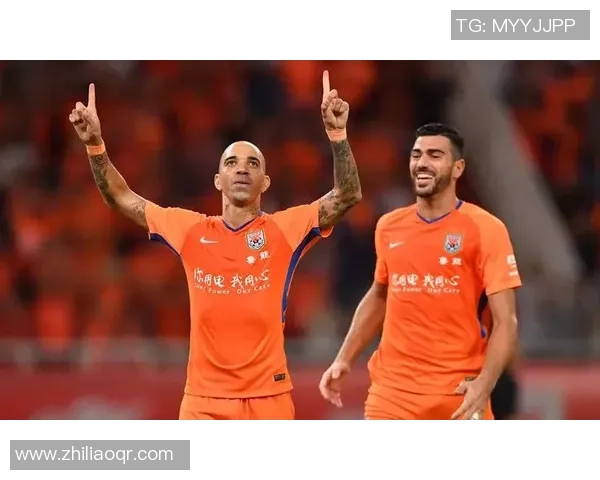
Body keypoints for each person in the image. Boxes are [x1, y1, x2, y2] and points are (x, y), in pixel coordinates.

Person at [69, 71, 362, 420]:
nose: (242, 169)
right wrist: (95, 146)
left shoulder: (285, 228)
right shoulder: (190, 230)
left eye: (253, 163)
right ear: (218, 180)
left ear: (265, 182)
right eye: (231, 163)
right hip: (204, 403)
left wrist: (337, 135)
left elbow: (347, 195)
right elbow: (120, 198)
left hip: (268, 400)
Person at [319, 123, 522, 420]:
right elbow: (380, 293)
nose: (422, 163)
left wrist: (485, 383)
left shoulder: (486, 229)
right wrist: (344, 358)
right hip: (392, 394)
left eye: (435, 155)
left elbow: (506, 321)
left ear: (458, 168)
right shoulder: (389, 226)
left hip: (458, 392)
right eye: (417, 155)